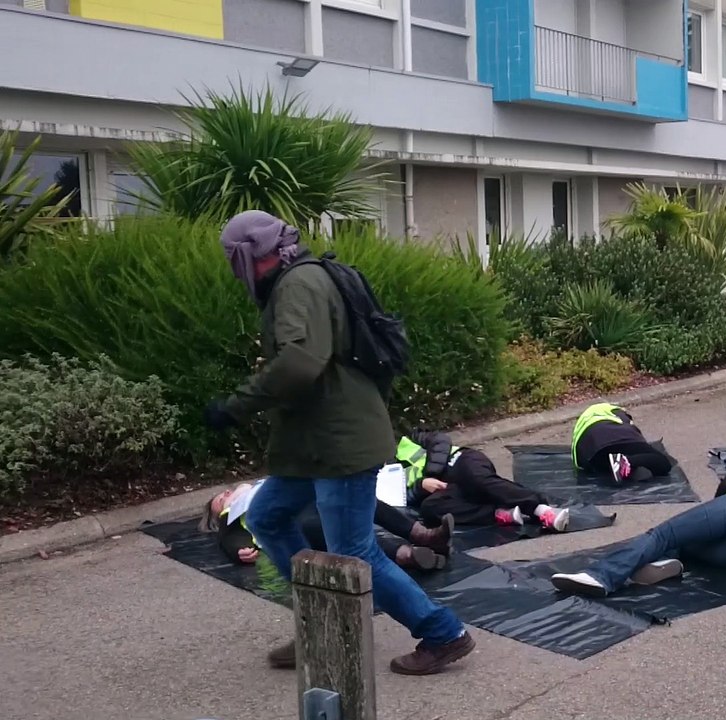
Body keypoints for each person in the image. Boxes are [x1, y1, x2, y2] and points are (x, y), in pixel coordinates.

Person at [202, 210, 475, 676]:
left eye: (234, 259)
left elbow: (300, 362)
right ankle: (324, 624)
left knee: (354, 551)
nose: (234, 269)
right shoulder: (300, 279)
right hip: (314, 446)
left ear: (251, 255)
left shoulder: (298, 284)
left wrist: (236, 406)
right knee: (267, 518)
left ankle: (443, 633)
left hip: (340, 445)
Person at [549, 470, 726, 597]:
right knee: (687, 542)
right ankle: (668, 563)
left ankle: (601, 576)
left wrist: (712, 511)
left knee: (664, 535)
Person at [199, 480, 454, 572]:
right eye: (220, 499)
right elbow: (229, 537)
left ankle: (423, 535)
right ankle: (407, 555)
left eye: (225, 492)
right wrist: (239, 550)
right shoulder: (231, 514)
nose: (227, 493)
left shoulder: (260, 486)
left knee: (359, 499)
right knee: (331, 529)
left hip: (307, 499)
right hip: (296, 521)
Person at [396, 430, 571, 531]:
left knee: (478, 481)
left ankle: (541, 509)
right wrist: (421, 486)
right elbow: (404, 498)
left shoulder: (406, 440)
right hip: (445, 486)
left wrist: (431, 473)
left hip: (459, 460)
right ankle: (498, 513)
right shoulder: (385, 473)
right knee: (430, 508)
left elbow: (440, 441)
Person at [572, 402, 675, 483]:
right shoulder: (618, 412)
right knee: (663, 463)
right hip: (613, 435)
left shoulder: (587, 417)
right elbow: (634, 432)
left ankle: (619, 465)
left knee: (604, 464)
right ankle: (627, 462)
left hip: (587, 451)